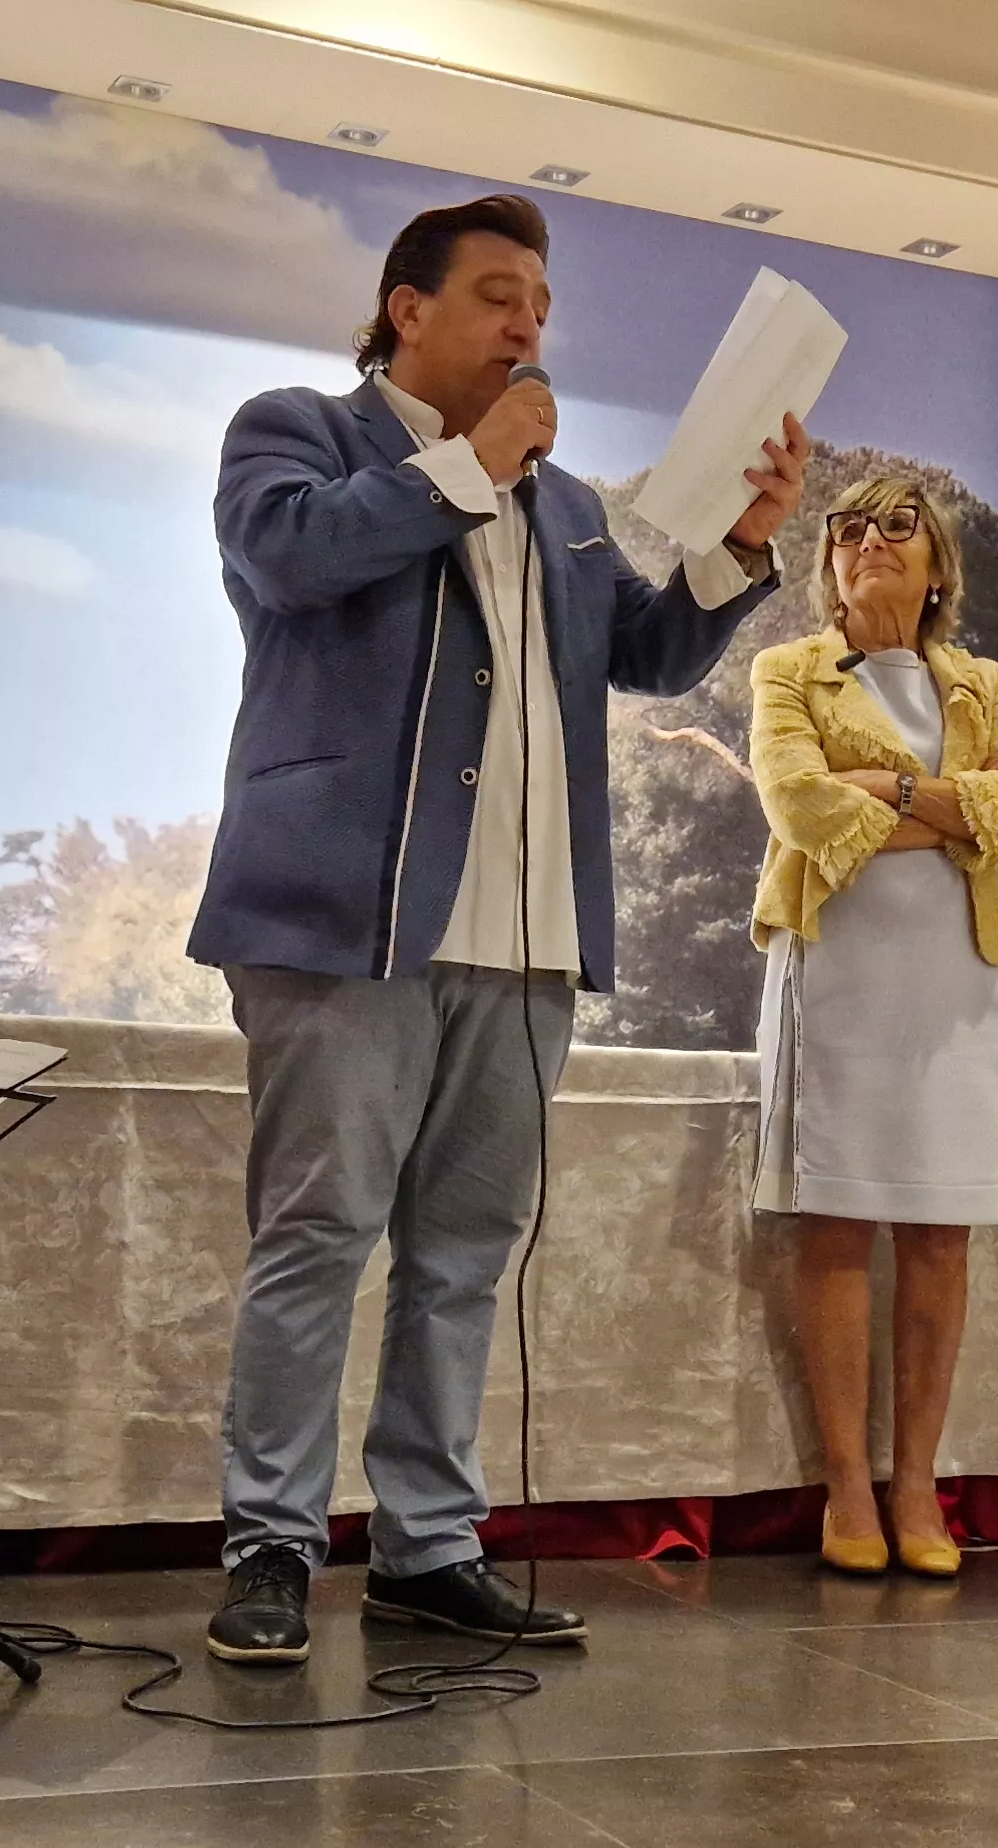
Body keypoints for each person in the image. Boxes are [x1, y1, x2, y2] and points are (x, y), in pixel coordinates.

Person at [189, 195, 808, 1665]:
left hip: (527, 937)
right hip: (347, 920)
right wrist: (469, 466)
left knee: (463, 1250)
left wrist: (737, 546)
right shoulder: (297, 432)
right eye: (495, 295)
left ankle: (428, 1546)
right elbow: (290, 563)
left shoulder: (570, 504)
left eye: (541, 302)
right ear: (405, 310)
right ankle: (271, 1543)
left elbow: (646, 655)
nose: (528, 324)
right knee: (318, 1236)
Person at [748, 476, 998, 1579]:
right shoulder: (786, 671)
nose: (869, 542)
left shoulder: (984, 679)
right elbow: (799, 807)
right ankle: (845, 1488)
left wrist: (885, 789)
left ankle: (916, 1482)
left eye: (897, 528)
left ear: (937, 571)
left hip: (960, 977)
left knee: (939, 1230)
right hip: (836, 973)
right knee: (834, 1223)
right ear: (828, 566)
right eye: (847, 530)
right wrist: (953, 799)